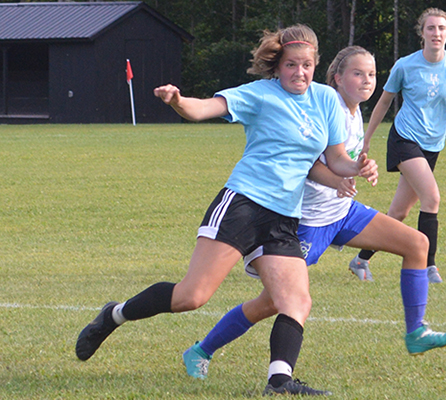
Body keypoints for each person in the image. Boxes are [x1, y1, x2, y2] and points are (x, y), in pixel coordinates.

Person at [74, 24, 378, 397]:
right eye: (290, 65)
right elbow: (203, 109)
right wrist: (177, 101)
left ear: (316, 66)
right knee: (191, 296)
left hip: (284, 217)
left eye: (307, 66)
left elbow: (336, 160)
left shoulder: (326, 101)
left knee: (296, 300)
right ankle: (114, 315)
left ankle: (279, 382)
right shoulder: (259, 95)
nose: (299, 73)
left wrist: (358, 166)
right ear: (277, 66)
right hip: (243, 205)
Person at [180, 46, 446, 383]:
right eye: (358, 73)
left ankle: (416, 332)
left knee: (416, 244)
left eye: (371, 74)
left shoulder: (354, 112)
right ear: (337, 78)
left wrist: (359, 169)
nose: (367, 80)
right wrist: (338, 178)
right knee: (272, 302)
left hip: (342, 213)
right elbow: (309, 161)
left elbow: (343, 160)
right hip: (310, 221)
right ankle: (202, 350)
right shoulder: (327, 106)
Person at [348, 8, 446, 284]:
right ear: (421, 33)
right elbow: (384, 102)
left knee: (398, 213)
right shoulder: (405, 65)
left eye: (441, 28)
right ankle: (429, 267)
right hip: (404, 139)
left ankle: (361, 259)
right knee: (432, 198)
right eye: (430, 28)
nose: (436, 33)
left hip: (432, 146)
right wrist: (367, 138)